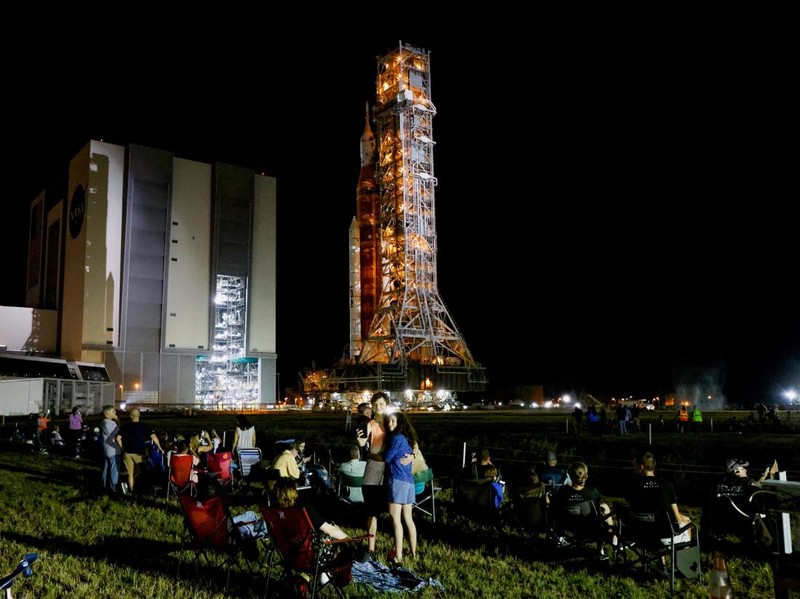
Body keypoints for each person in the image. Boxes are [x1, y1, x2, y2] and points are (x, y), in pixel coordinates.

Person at [272, 478, 361, 587]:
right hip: (313, 558)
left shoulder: (274, 514)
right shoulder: (302, 511)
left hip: (290, 557)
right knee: (341, 540)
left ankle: (312, 576)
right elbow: (330, 531)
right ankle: (332, 573)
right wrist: (350, 539)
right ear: (293, 493)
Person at [627, 451, 692, 546]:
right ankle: (685, 553)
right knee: (687, 523)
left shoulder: (632, 485)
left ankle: (660, 557)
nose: (634, 469)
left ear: (641, 467)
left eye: (634, 467)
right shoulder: (666, 485)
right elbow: (677, 517)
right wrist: (684, 518)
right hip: (665, 535)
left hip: (640, 535)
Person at [355, 391, 389, 556]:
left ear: (387, 405)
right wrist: (360, 440)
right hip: (373, 469)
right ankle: (371, 548)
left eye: (381, 404)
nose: (378, 407)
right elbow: (362, 442)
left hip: (389, 470)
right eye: (375, 405)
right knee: (371, 511)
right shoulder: (370, 424)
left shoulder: (393, 422)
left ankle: (396, 549)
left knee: (394, 512)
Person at [383, 411, 418, 565]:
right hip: (409, 482)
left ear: (399, 424)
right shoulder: (407, 439)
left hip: (397, 481)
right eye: (389, 420)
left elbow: (386, 458)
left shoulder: (397, 438)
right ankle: (413, 553)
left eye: (393, 421)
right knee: (408, 519)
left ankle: (398, 555)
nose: (390, 423)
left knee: (396, 520)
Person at [119, 408, 164, 495]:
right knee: (142, 471)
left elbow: (118, 438)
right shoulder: (145, 426)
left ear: (130, 416)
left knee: (130, 473)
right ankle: (140, 489)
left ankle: (131, 490)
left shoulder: (125, 426)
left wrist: (122, 448)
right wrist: (160, 447)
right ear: (139, 415)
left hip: (127, 453)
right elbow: (154, 437)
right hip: (140, 453)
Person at [99, 405, 123, 496]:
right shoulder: (111, 423)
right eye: (113, 411)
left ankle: (103, 486)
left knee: (105, 468)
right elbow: (119, 433)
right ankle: (113, 489)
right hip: (113, 450)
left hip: (106, 449)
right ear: (107, 413)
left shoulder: (103, 422)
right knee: (114, 470)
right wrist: (117, 420)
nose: (115, 412)